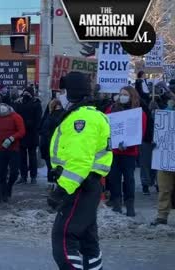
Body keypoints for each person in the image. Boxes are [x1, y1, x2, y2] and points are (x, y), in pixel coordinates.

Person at [47, 72, 112, 270]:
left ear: (72, 92)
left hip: (79, 187)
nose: (60, 95)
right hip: (88, 185)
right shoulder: (87, 114)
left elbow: (79, 161)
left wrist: (62, 190)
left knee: (64, 237)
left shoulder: (81, 119)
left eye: (63, 91)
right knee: (88, 241)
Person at [105, 86, 147, 216]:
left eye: (125, 94)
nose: (122, 96)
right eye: (121, 94)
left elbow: (141, 132)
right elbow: (105, 126)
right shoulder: (111, 109)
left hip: (129, 153)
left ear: (132, 96)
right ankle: (117, 204)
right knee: (114, 178)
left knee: (129, 179)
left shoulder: (138, 113)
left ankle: (130, 206)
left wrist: (128, 145)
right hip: (114, 151)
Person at [0, 102, 25, 201]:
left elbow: (21, 131)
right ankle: (3, 194)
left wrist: (12, 138)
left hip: (13, 149)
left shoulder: (16, 117)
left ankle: (9, 186)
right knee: (1, 173)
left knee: (14, 172)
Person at [15, 86, 42, 184]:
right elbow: (16, 117)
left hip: (32, 134)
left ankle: (33, 177)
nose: (26, 95)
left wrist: (30, 124)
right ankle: (23, 176)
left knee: (32, 157)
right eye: (25, 93)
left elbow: (38, 119)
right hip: (21, 134)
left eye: (28, 93)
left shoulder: (36, 103)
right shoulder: (19, 103)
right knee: (21, 157)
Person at [39, 99, 65, 190]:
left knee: (50, 166)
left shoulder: (48, 117)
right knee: (60, 166)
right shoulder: (66, 115)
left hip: (49, 146)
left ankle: (51, 185)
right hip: (61, 146)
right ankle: (58, 185)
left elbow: (43, 132)